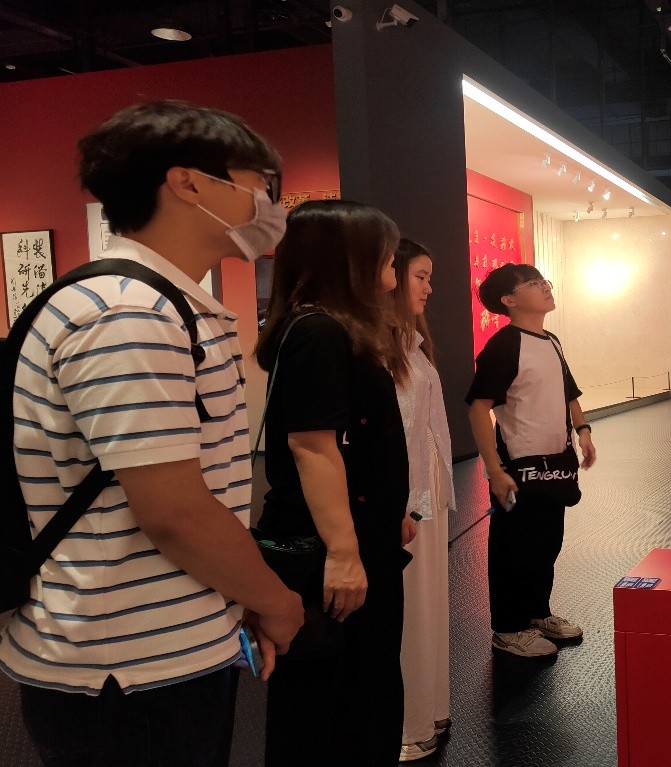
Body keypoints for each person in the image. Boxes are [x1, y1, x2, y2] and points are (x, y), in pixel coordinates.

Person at [0, 100, 304, 766]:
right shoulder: (130, 312)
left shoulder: (153, 302)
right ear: (189, 182)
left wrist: (235, 595)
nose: (269, 203)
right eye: (260, 183)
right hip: (126, 666)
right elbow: (175, 513)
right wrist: (276, 601)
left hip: (158, 644)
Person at [255, 200, 413, 766]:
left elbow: (355, 441)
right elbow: (312, 446)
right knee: (333, 705)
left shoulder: (335, 330)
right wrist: (345, 552)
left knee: (363, 691)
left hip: (358, 535)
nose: (394, 267)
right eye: (386, 256)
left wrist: (387, 514)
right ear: (349, 260)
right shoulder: (319, 332)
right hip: (329, 550)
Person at [466, 264, 597, 658]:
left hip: (556, 460)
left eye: (544, 281)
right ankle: (508, 629)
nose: (544, 286)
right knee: (514, 546)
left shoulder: (551, 340)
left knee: (546, 543)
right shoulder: (504, 345)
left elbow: (569, 392)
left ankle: (537, 613)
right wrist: (494, 469)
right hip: (519, 464)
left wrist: (583, 430)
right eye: (532, 283)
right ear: (509, 300)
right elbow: (478, 407)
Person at [391, 239, 455, 762]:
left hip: (424, 491)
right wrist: (405, 504)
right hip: (407, 495)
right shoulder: (378, 349)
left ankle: (430, 708)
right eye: (421, 276)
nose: (429, 288)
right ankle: (407, 722)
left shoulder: (411, 345)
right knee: (410, 605)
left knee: (428, 600)